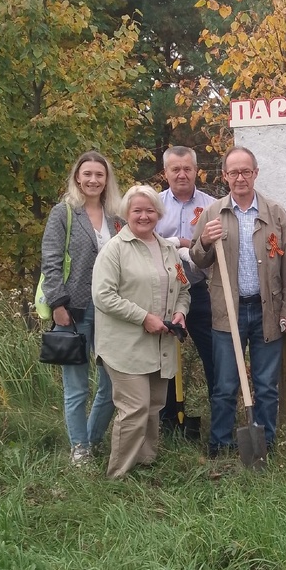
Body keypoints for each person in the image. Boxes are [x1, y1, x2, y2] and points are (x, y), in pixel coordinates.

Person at [190, 146, 286, 457]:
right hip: (228, 310)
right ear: (225, 176)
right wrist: (205, 241)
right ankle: (220, 443)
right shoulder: (213, 214)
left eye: (246, 171)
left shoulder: (275, 214)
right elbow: (199, 260)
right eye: (233, 172)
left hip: (268, 310)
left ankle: (264, 444)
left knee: (266, 386)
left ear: (256, 173)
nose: (240, 177)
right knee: (225, 385)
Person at [91, 186, 191, 478]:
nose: (144, 216)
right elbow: (103, 296)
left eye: (150, 210)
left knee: (154, 406)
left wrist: (180, 313)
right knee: (135, 408)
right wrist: (143, 317)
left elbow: (183, 289)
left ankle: (145, 464)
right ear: (127, 214)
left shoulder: (169, 250)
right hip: (125, 346)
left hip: (161, 345)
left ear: (159, 214)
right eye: (137, 210)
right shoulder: (114, 250)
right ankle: (118, 474)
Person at [40, 150, 123, 465]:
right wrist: (58, 303)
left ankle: (90, 439)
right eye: (87, 174)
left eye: (99, 175)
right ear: (78, 177)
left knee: (112, 384)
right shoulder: (64, 212)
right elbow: (50, 260)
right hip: (73, 311)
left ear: (106, 180)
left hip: (110, 313)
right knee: (76, 388)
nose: (93, 180)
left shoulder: (117, 216)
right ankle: (80, 450)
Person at [156, 145, 215, 428]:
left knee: (214, 355)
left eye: (187, 168)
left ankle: (220, 419)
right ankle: (167, 418)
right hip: (162, 294)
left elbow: (218, 246)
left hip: (201, 292)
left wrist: (183, 243)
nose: (182, 174)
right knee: (163, 358)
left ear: (196, 170)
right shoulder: (152, 205)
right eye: (175, 169)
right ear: (165, 172)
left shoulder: (212, 205)